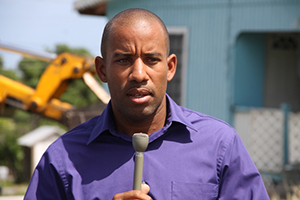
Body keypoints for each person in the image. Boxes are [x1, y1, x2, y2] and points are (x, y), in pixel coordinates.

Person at [24, 8, 269, 200]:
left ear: (170, 67)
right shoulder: (63, 158)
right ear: (102, 69)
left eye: (152, 59)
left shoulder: (219, 145)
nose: (139, 74)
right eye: (123, 60)